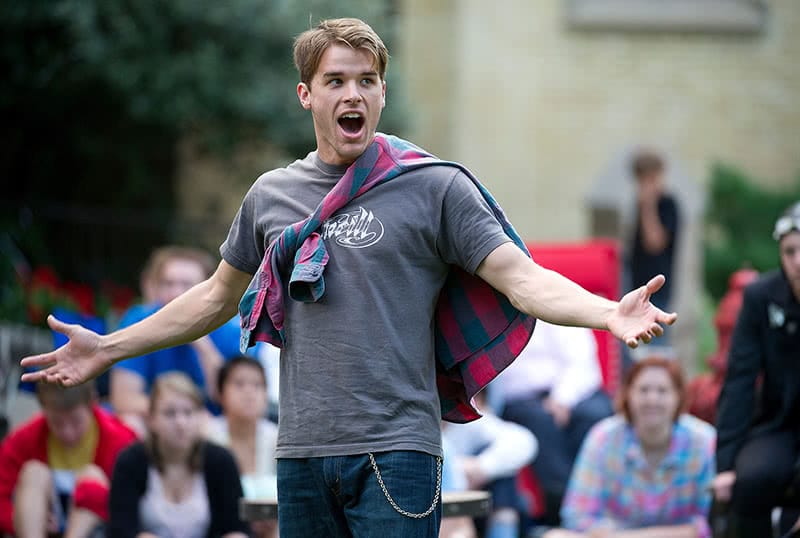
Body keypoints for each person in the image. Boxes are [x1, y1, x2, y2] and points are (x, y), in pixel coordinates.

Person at [21, 18, 676, 538]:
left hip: (397, 452)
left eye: (367, 80)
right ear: (307, 94)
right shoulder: (272, 196)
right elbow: (216, 298)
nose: (353, 93)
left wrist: (605, 313)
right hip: (301, 451)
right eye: (335, 81)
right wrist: (109, 347)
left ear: (382, 92)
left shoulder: (434, 187)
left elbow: (521, 279)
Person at [541, 356, 716, 538]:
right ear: (628, 394)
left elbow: (707, 523)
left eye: (662, 391)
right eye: (643, 390)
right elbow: (577, 515)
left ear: (679, 397)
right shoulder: (603, 437)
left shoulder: (703, 440)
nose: (652, 399)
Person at [712, 202, 800, 538]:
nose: (798, 261)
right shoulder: (760, 296)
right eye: (790, 251)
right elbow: (739, 381)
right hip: (776, 423)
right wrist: (726, 464)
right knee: (751, 479)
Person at [110, 245, 242, 434]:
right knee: (131, 424)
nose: (176, 293)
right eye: (168, 283)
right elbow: (124, 399)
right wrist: (181, 413)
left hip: (211, 426)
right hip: (156, 421)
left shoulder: (229, 329)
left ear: (207, 288)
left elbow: (231, 400)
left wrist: (201, 342)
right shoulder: (138, 321)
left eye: (186, 285)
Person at [494, 321, 613, 522]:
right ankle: (565, 512)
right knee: (541, 423)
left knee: (596, 416)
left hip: (575, 390)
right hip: (524, 397)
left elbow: (582, 359)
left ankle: (602, 499)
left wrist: (562, 398)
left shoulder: (559, 295)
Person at [108, 372, 249, 538]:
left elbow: (238, 529)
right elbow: (121, 530)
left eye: (188, 413)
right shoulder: (130, 461)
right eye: (170, 413)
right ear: (151, 419)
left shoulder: (221, 461)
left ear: (200, 417)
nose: (181, 423)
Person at [0, 381, 136, 538]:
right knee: (34, 472)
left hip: (97, 530)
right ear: (44, 410)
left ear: (93, 404)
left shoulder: (122, 440)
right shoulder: (25, 439)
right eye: (57, 423)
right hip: (40, 528)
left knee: (91, 476)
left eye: (76, 421)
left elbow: (132, 504)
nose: (67, 432)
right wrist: (18, 519)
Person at [442, 391, 538, 538]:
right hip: (443, 505)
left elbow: (524, 441)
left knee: (504, 475)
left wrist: (481, 468)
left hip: (473, 503)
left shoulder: (466, 421)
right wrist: (458, 469)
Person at [205, 355, 278, 538]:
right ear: (221, 393)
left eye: (257, 385)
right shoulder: (206, 438)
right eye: (239, 384)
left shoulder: (279, 437)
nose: (249, 392)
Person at [628, 149, 680, 313]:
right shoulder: (640, 206)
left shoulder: (667, 205)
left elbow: (654, 243)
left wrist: (648, 206)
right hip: (636, 286)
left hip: (658, 289)